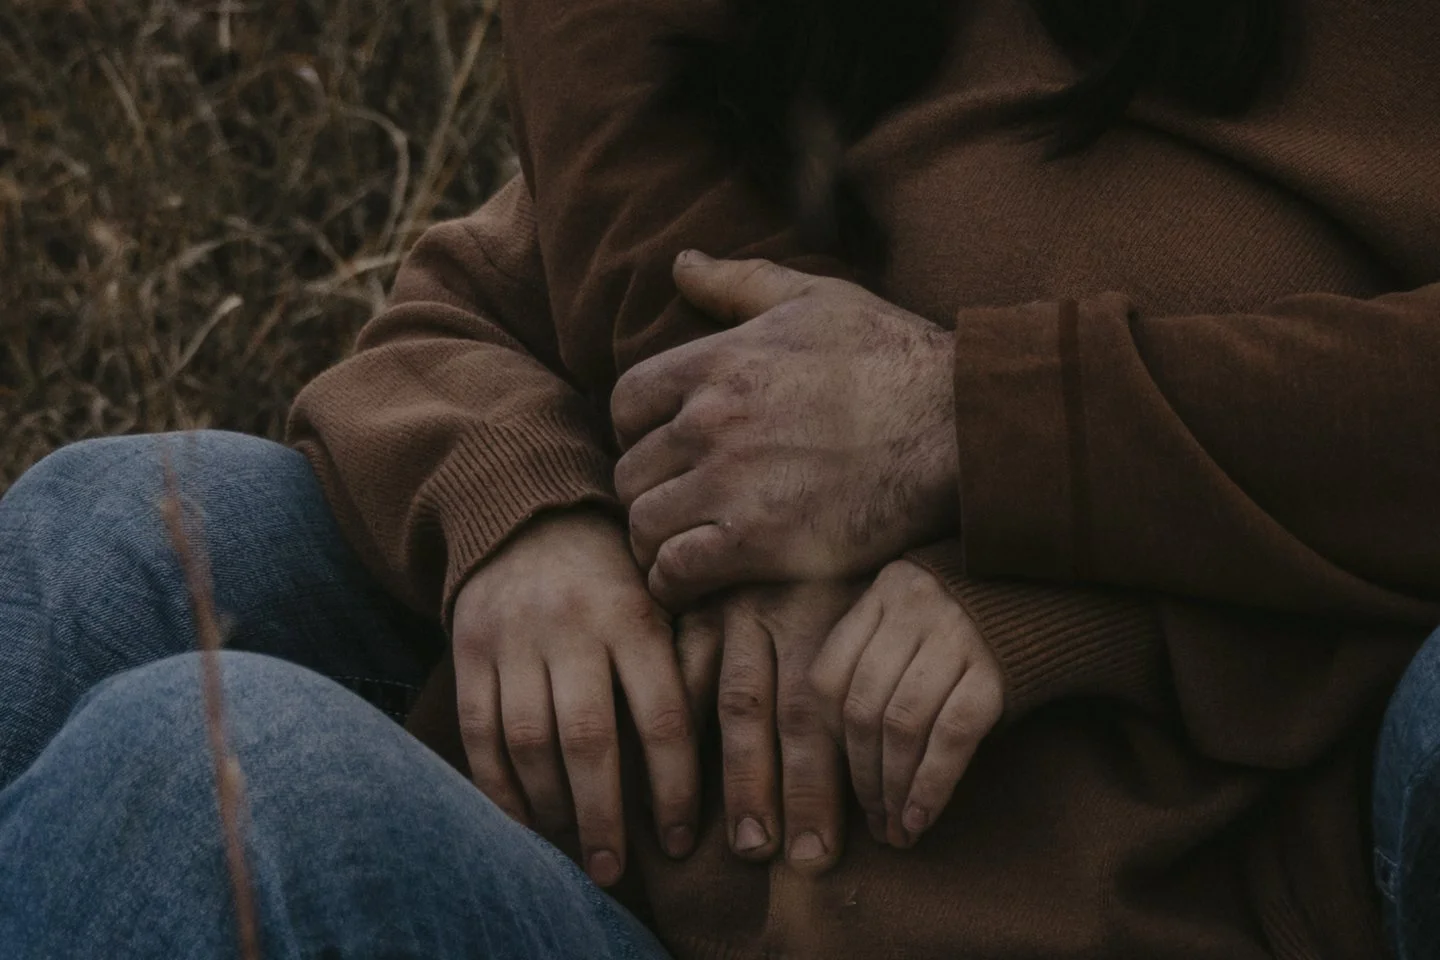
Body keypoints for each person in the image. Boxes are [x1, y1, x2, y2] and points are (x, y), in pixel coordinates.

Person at [2, 1, 1439, 959]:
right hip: (603, 863)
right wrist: (527, 510)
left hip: (1011, 900)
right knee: (99, 533)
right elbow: (464, 299)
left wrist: (985, 467)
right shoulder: (848, 51)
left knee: (207, 769)